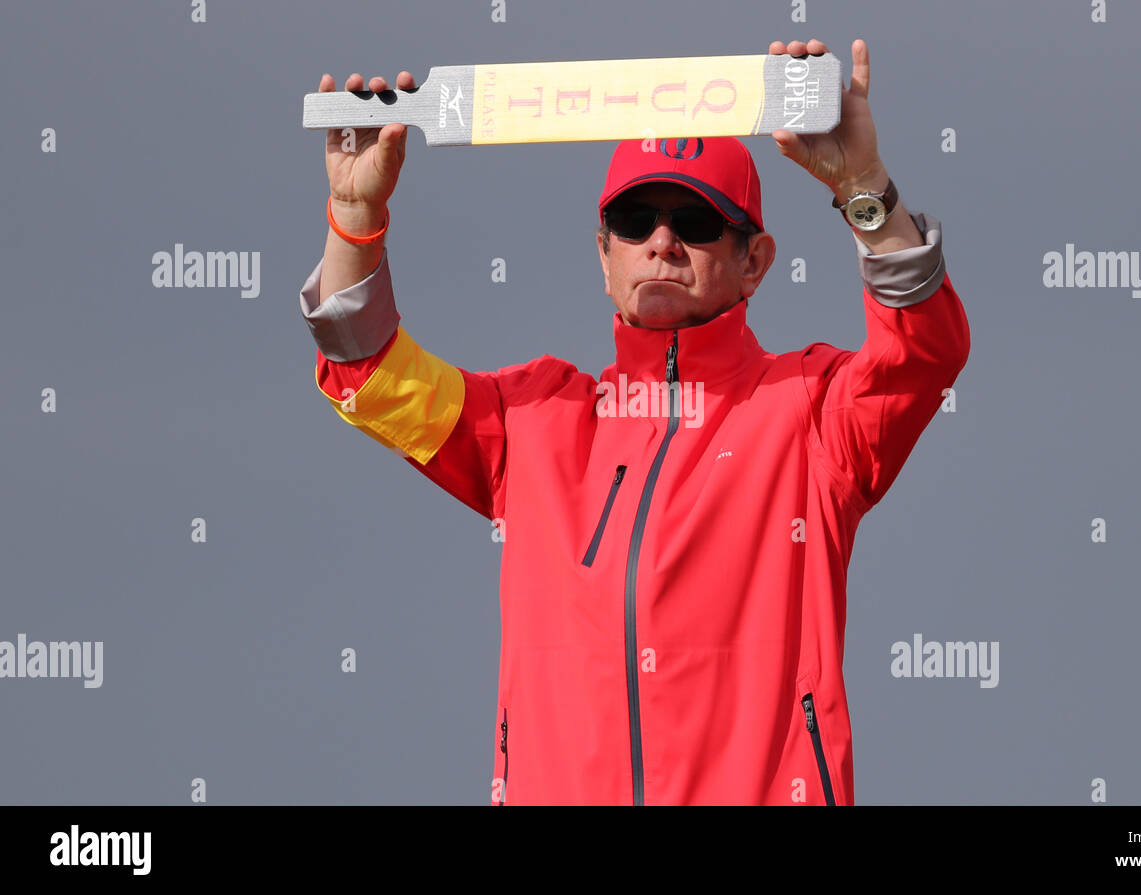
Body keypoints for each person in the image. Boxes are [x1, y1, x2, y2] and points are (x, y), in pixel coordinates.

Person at [298, 38, 970, 805]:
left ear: (756, 261)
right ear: (602, 254)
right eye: (634, 218)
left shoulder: (811, 412)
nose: (661, 240)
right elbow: (368, 378)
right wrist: (355, 218)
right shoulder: (535, 420)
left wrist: (863, 187)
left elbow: (926, 351)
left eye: (696, 219)